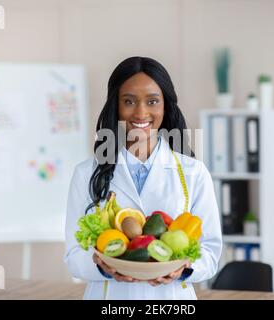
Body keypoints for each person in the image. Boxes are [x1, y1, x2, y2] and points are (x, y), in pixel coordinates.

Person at [64, 56, 222, 299]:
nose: (141, 112)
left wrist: (184, 269)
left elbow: (210, 252)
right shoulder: (86, 173)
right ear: (115, 106)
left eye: (152, 101)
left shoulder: (194, 172)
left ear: (165, 107)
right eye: (128, 101)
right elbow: (74, 255)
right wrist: (101, 266)